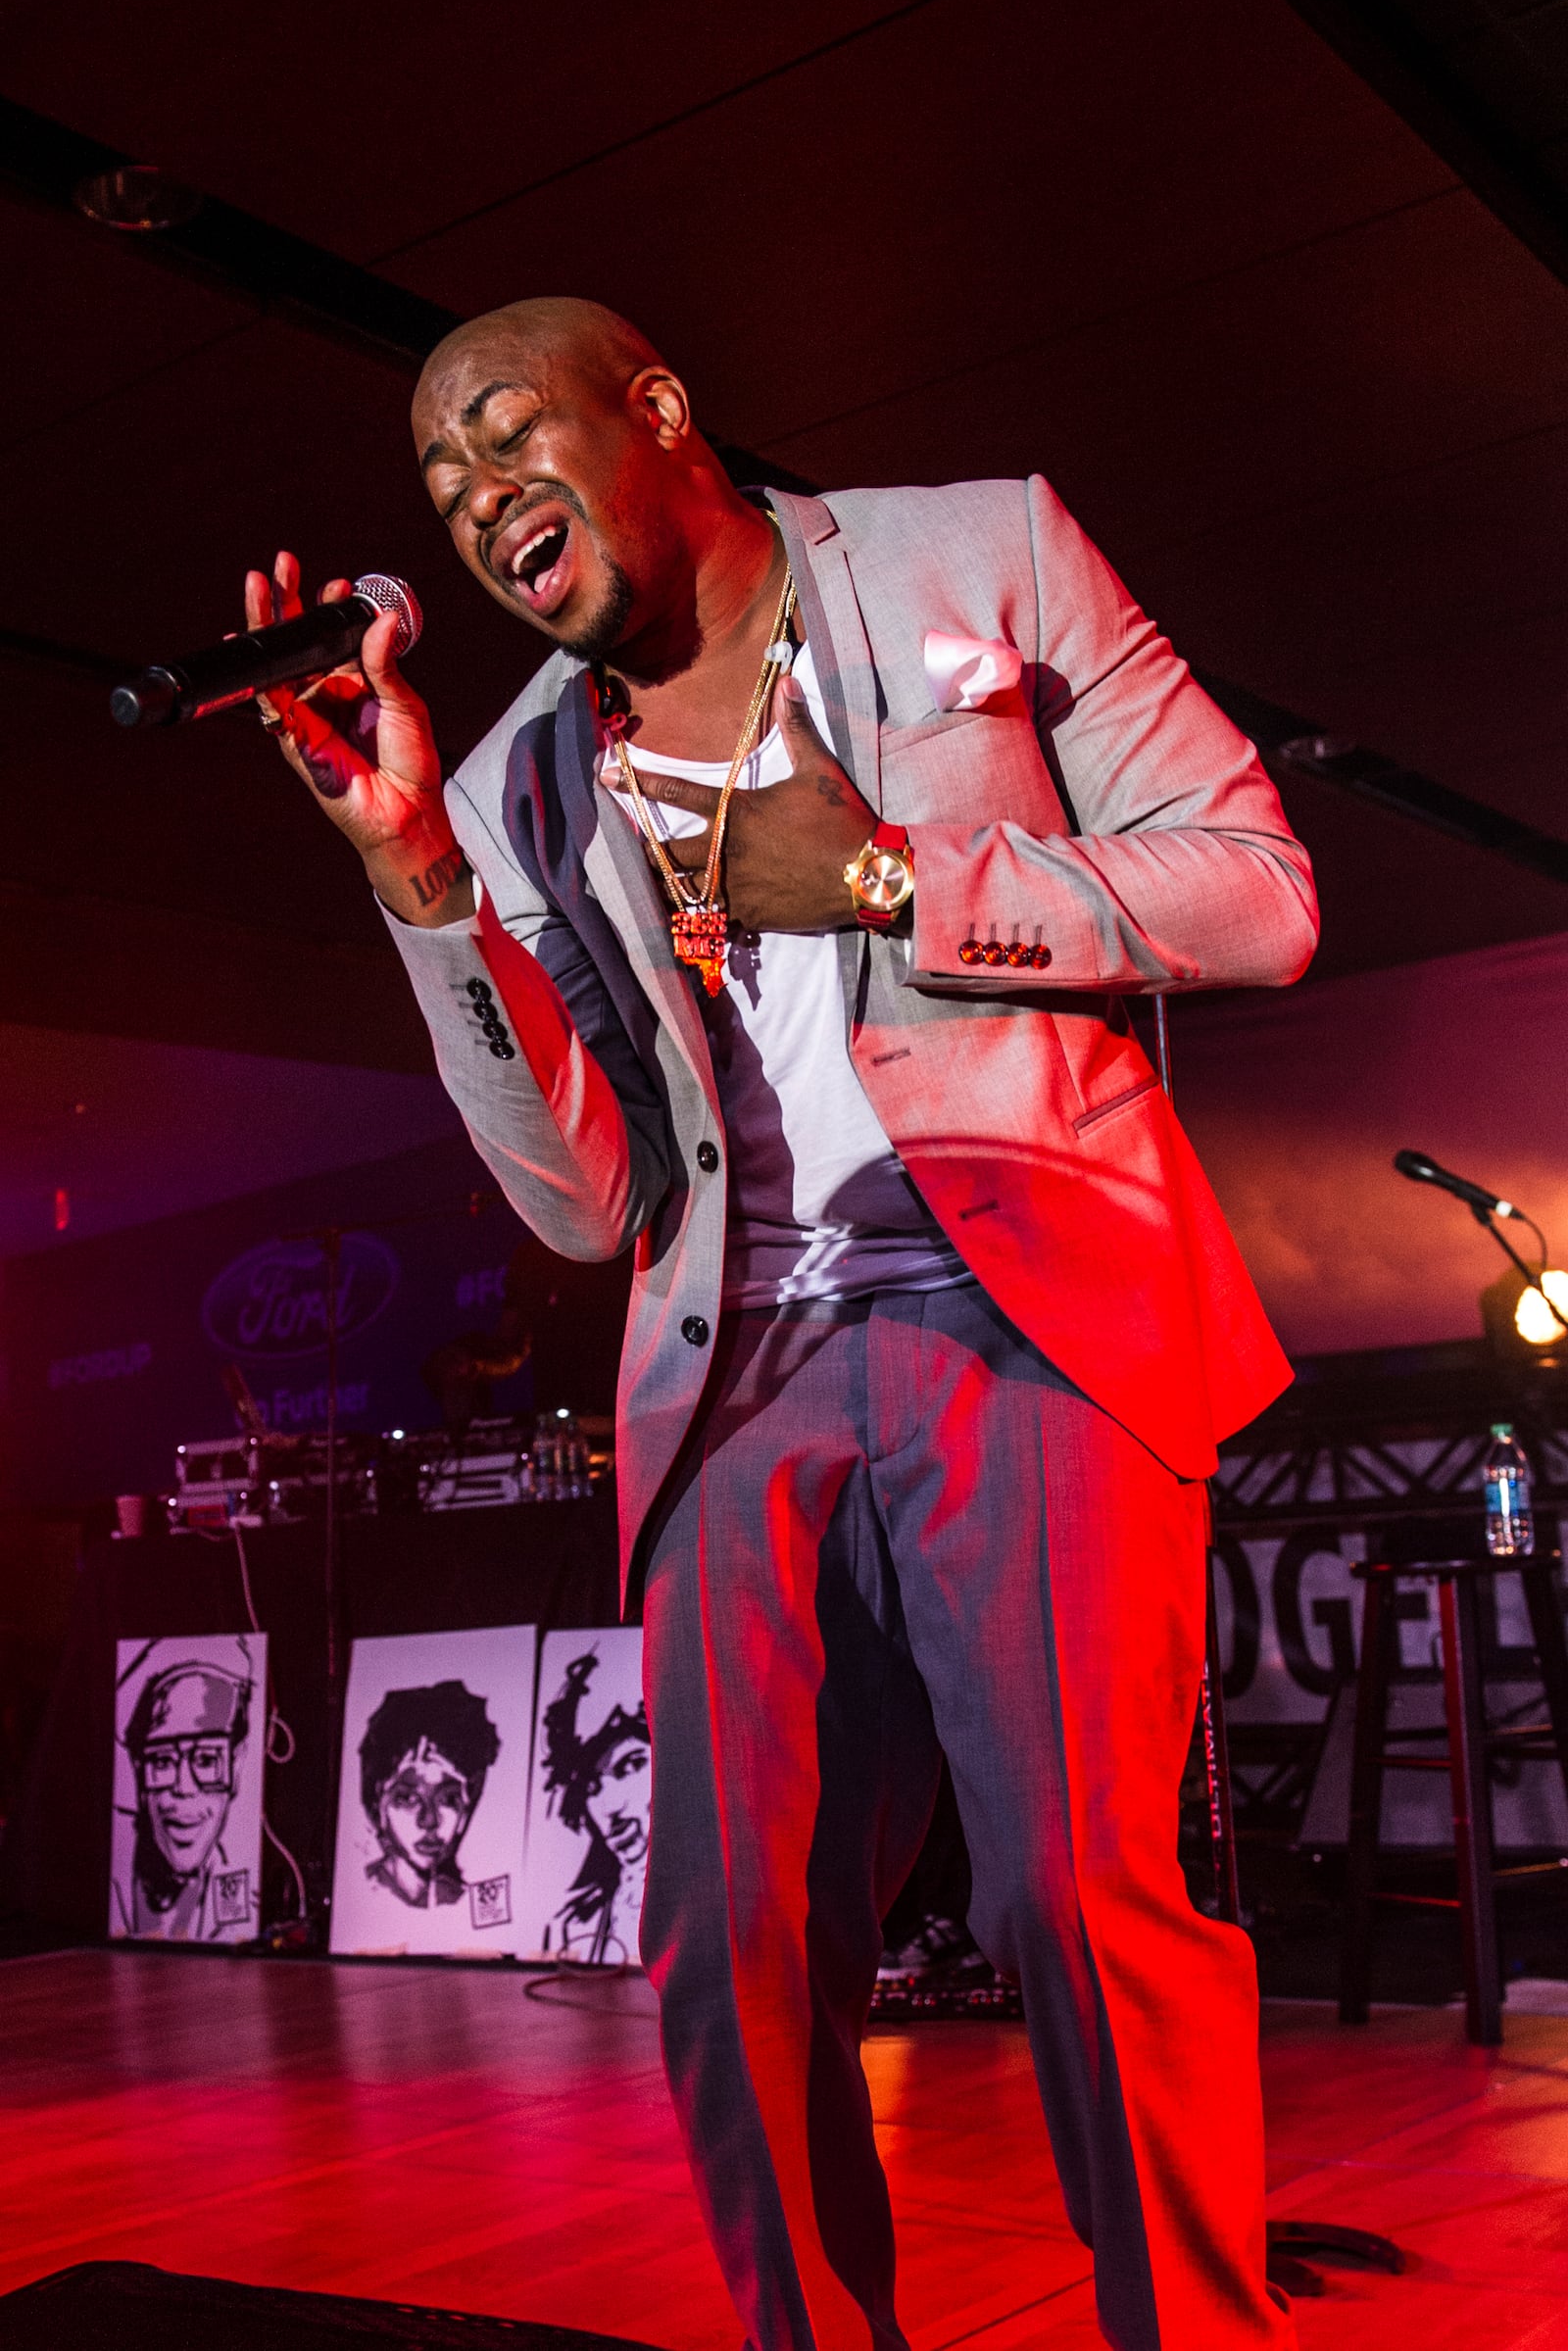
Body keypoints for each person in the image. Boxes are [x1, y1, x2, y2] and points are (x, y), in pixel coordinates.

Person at [245, 295, 1318, 2350]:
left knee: (1081, 1906)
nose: (476, 498)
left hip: (1017, 1294)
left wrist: (909, 873)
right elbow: (573, 1194)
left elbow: (1257, 888)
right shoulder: (510, 782)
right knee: (724, 1937)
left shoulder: (973, 549)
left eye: (503, 434)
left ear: (647, 407)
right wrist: (418, 891)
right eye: (440, 484)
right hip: (728, 1355)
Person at [117, 1656, 255, 1940]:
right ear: (138, 1768)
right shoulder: (111, 1887)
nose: (183, 1786)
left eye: (205, 1759)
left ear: (237, 1766)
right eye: (163, 1761)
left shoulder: (246, 1902)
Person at [538, 1647, 652, 1964]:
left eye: (629, 1766)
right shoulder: (571, 1928)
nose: (608, 1808)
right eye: (591, 1787)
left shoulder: (731, 1910)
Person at [357, 1681, 500, 1910]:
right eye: (408, 1799)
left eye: (447, 1799)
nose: (430, 1820)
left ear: (465, 1809)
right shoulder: (364, 1894)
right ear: (377, 1805)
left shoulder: (460, 1898)